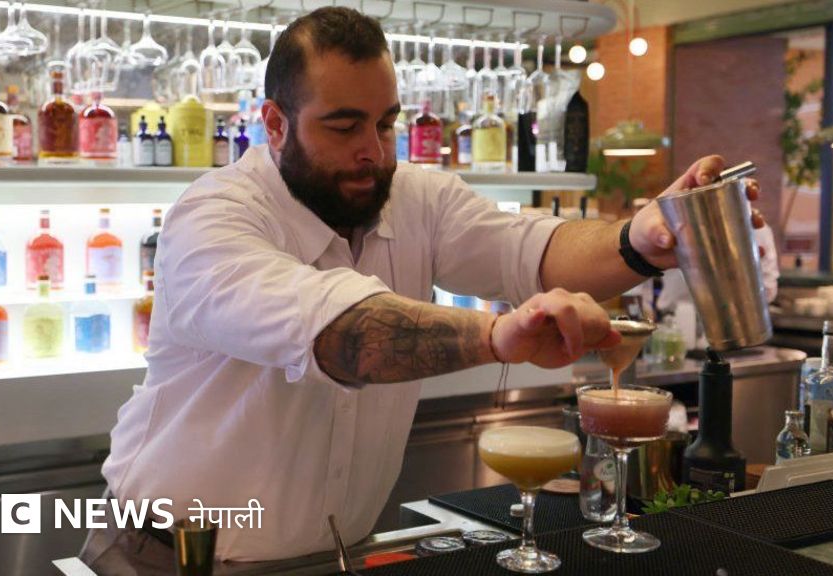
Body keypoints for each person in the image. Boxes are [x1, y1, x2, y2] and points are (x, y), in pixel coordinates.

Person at [79, 7, 766, 572]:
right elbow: (341, 334)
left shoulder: (415, 198)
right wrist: (498, 335)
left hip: (330, 556)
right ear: (276, 123)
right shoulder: (214, 216)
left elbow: (532, 250)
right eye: (344, 126)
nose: (373, 150)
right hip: (166, 556)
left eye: (385, 123)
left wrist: (640, 238)